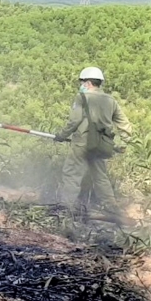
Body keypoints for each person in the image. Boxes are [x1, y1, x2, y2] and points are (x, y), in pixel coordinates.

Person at [53, 67, 133, 223]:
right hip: (102, 145)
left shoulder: (81, 97)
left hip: (82, 143)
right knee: (101, 177)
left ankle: (66, 208)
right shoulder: (111, 100)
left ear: (88, 82)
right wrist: (125, 142)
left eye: (82, 81)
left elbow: (74, 121)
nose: (81, 84)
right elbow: (124, 124)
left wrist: (62, 135)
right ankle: (111, 207)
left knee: (71, 174)